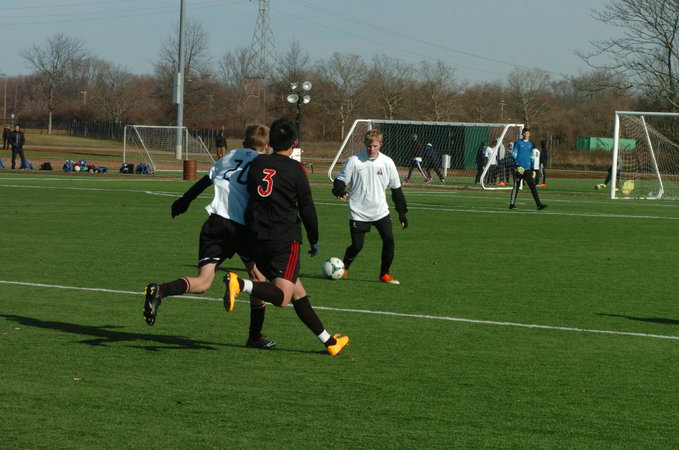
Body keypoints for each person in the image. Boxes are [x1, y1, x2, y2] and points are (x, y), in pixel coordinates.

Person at [143, 123, 277, 349]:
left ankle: (160, 291)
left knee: (203, 281)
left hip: (215, 223)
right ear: (267, 146)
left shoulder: (230, 156)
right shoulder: (264, 163)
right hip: (241, 227)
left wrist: (184, 201)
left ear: (243, 143)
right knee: (257, 279)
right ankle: (255, 337)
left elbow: (205, 181)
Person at [225, 118, 349, 356]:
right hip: (283, 240)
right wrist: (314, 238)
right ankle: (239, 284)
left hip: (255, 236)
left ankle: (330, 342)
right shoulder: (296, 169)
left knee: (298, 292)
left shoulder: (258, 162)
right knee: (282, 297)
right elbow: (307, 209)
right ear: (295, 143)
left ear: (270, 142)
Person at [332, 129, 408, 285]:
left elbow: (396, 190)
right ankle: (344, 266)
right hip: (358, 212)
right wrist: (339, 191)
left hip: (381, 211)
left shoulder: (387, 162)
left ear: (380, 145)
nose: (371, 149)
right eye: (368, 146)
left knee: (389, 241)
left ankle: (384, 274)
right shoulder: (354, 161)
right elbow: (340, 181)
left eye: (374, 146)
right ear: (364, 144)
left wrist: (402, 213)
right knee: (357, 246)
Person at [509, 127, 547, 210]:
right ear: (522, 134)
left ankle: (539, 204)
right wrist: (517, 165)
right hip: (519, 168)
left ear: (529, 134)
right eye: (525, 133)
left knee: (532, 186)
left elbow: (531, 156)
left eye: (527, 133)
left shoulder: (530, 144)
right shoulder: (518, 143)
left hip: (527, 169)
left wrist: (533, 169)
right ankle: (512, 204)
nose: (526, 134)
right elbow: (514, 155)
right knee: (516, 186)